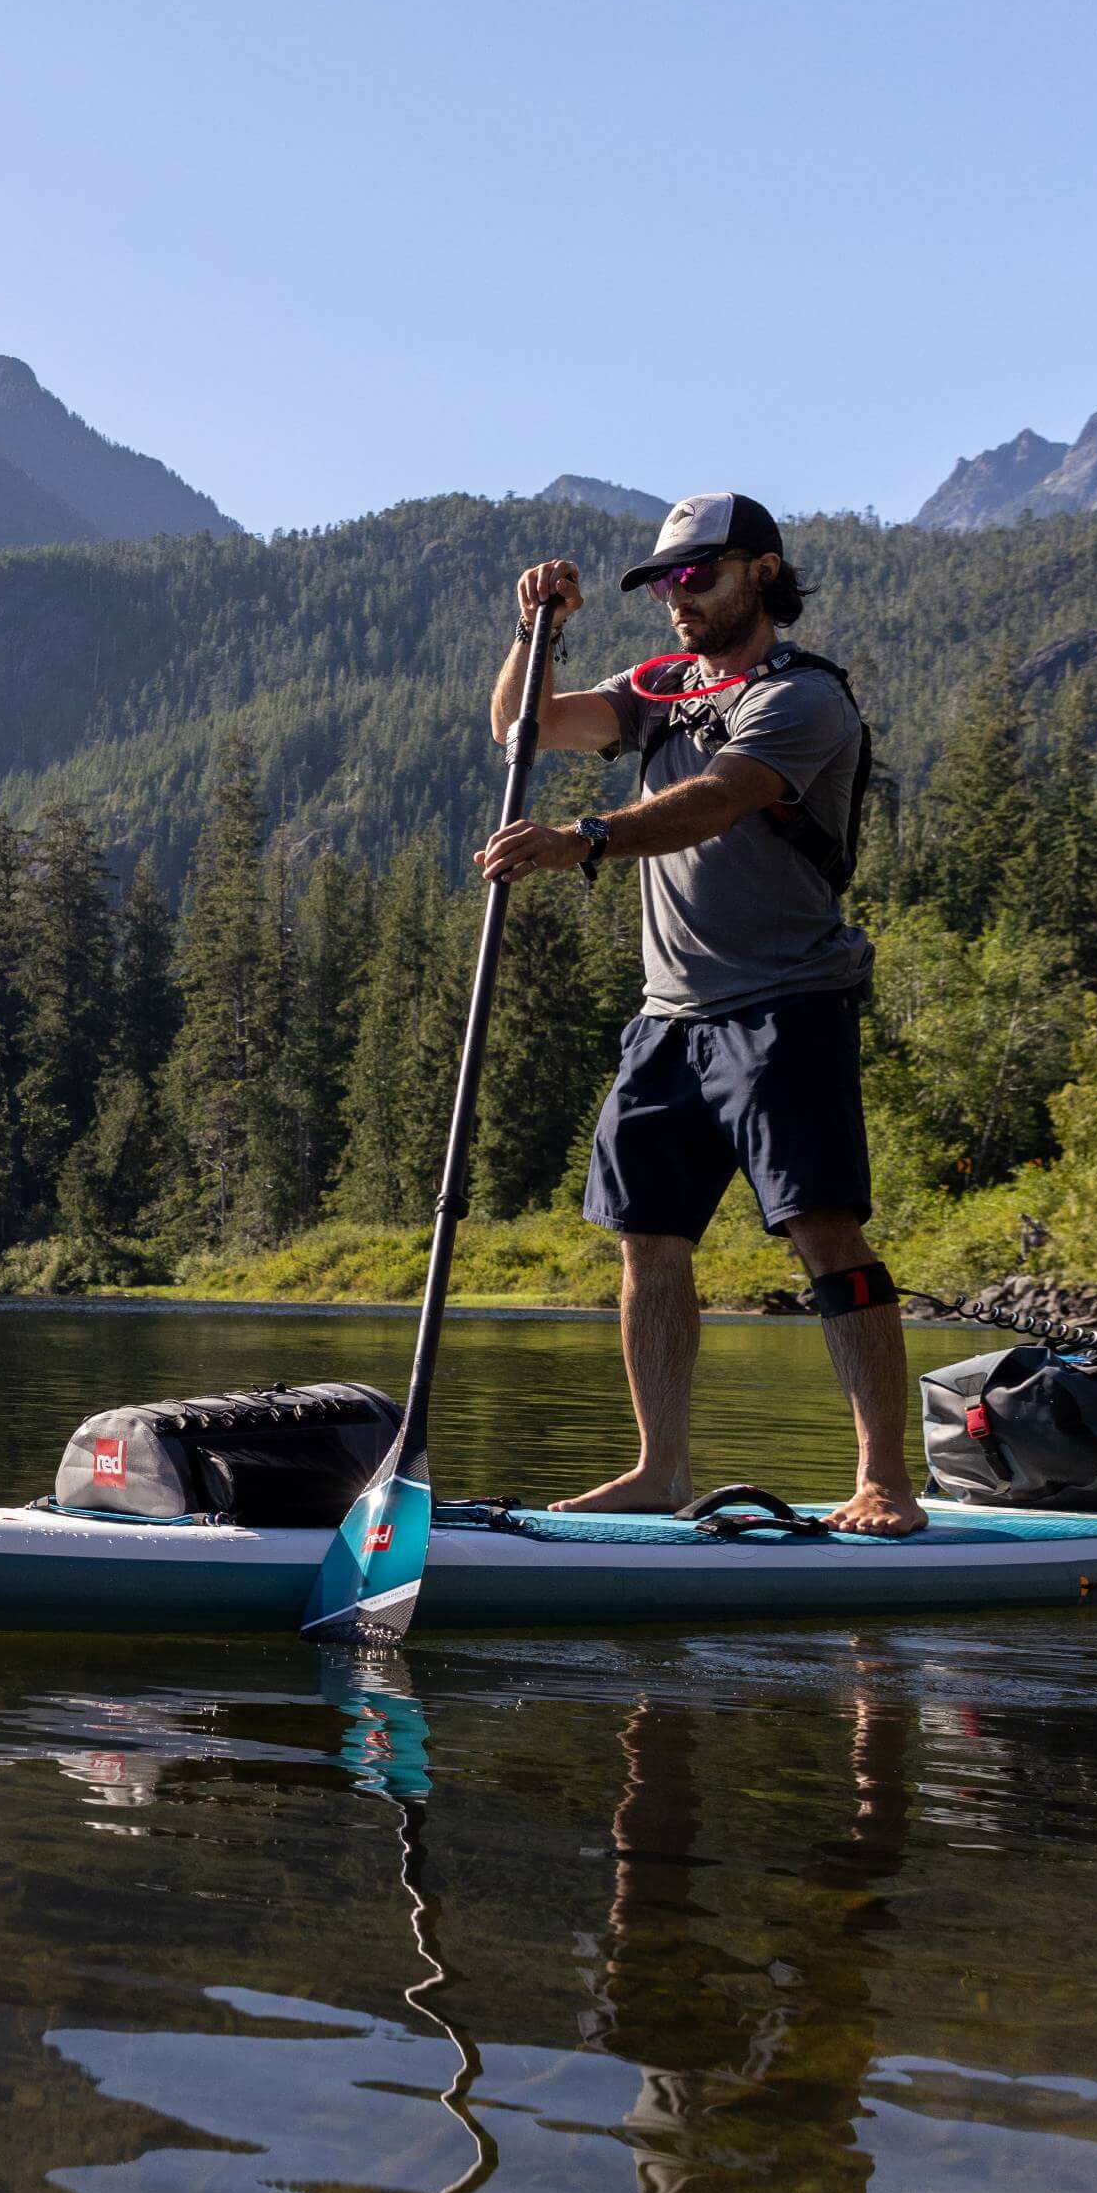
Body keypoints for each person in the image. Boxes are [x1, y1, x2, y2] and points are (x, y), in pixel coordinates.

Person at [473, 491, 922, 1535]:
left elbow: (718, 799)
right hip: (667, 1016)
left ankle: (885, 1480)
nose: (677, 597)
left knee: (825, 1232)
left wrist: (583, 838)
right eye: (664, 581)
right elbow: (521, 729)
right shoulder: (658, 686)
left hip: (785, 1003)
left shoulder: (804, 698)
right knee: (647, 1239)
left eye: (698, 575)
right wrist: (532, 634)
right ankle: (660, 1467)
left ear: (761, 572)